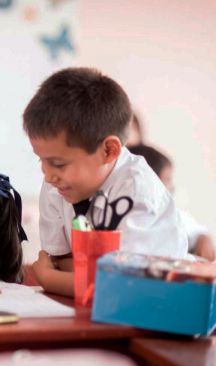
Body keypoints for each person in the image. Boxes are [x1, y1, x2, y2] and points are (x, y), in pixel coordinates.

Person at [22, 67, 187, 297]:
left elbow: (121, 287)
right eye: (41, 160)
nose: (48, 175)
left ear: (108, 151)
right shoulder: (56, 185)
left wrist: (49, 279)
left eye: (58, 163)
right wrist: (84, 277)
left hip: (162, 303)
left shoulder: (137, 191)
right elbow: (61, 261)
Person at [128, 144, 215, 261]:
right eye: (167, 179)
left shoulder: (167, 211)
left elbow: (190, 227)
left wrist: (203, 237)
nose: (172, 187)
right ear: (151, 181)